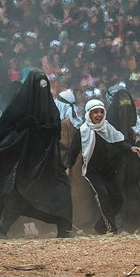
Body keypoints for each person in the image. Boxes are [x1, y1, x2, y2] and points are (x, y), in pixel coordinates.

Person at [0, 69, 73, 238]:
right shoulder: (19, 107)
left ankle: (63, 228)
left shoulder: (51, 108)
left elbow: (56, 129)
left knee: (62, 190)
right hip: (26, 160)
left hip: (48, 161)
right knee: (20, 194)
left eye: (44, 84)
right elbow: (6, 130)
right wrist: (24, 128)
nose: (41, 89)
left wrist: (44, 128)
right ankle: (3, 229)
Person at [65, 99, 140, 235]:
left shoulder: (107, 128)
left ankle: (100, 226)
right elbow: (73, 151)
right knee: (103, 195)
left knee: (118, 199)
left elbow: (119, 142)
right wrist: (68, 167)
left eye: (101, 112)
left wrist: (131, 148)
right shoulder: (82, 132)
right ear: (89, 114)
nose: (99, 115)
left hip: (107, 171)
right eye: (95, 112)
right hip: (91, 171)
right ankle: (111, 228)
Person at [106, 84, 140, 233]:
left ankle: (129, 225)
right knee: (122, 191)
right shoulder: (108, 122)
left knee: (130, 191)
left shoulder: (136, 122)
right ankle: (121, 225)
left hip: (128, 160)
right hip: (122, 159)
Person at [55, 89, 97, 233]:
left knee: (75, 194)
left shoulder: (65, 123)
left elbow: (64, 145)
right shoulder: (77, 121)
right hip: (80, 161)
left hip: (70, 163)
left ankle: (76, 224)